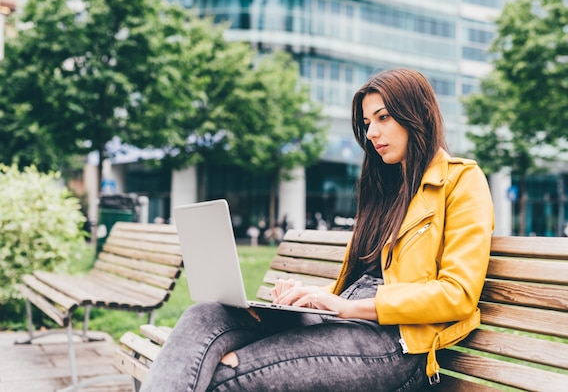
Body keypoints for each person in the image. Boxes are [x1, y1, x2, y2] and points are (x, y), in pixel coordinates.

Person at [140, 68, 494, 391]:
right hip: (347, 322)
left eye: (383, 117)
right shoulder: (386, 187)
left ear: (417, 115)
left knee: (226, 376)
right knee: (204, 315)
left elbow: (458, 295)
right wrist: (309, 296)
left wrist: (344, 308)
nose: (372, 132)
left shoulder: (461, 181)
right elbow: (361, 281)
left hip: (398, 344)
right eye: (368, 121)